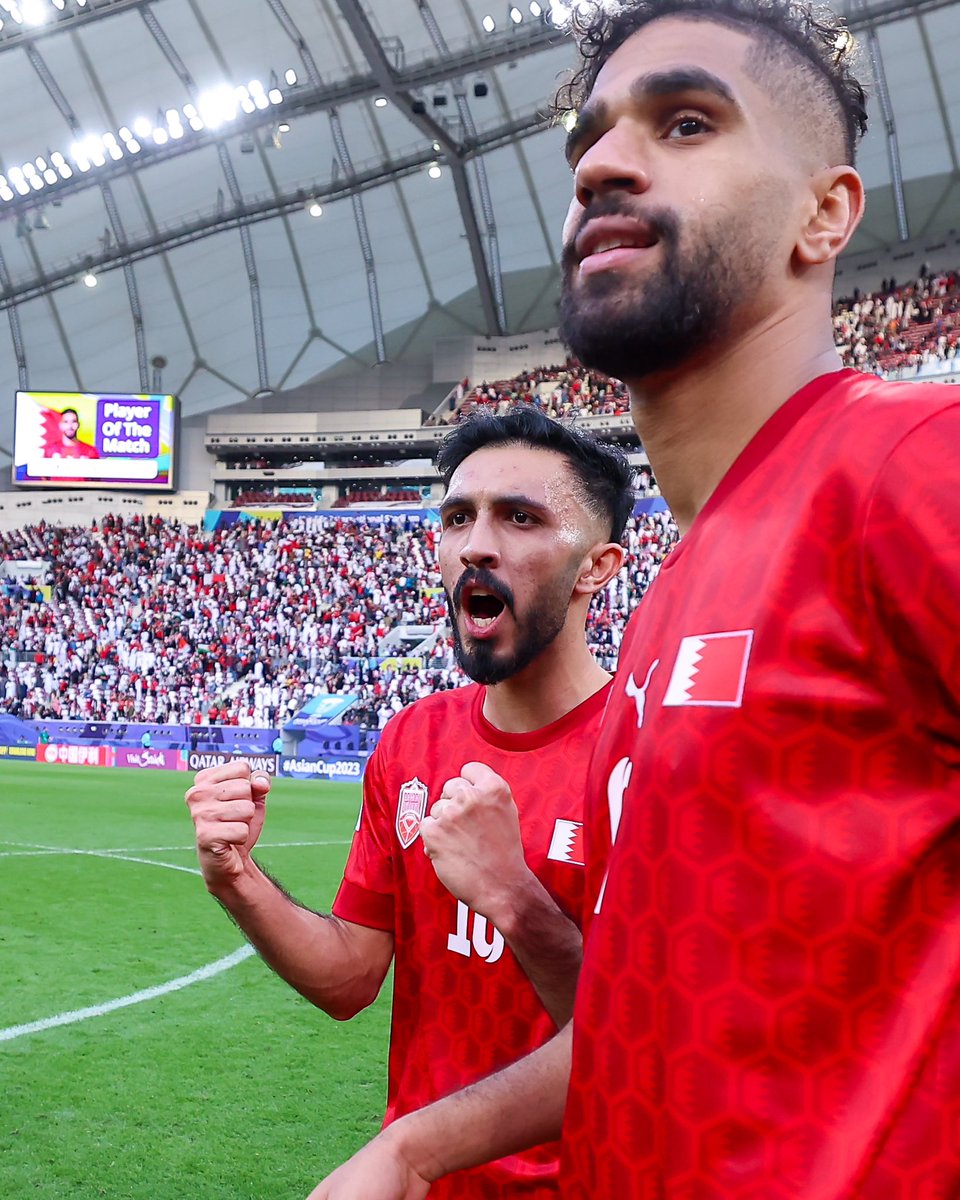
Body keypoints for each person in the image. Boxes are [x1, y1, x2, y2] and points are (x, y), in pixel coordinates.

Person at [309, 0, 960, 1197]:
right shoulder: (676, 599)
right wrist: (411, 1146)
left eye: (688, 122)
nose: (602, 164)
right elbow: (638, 1020)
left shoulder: (911, 468)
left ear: (827, 214)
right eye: (589, 144)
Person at [185, 405, 634, 1199]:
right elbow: (350, 979)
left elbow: (641, 1047)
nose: (475, 545)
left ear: (596, 567)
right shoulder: (412, 741)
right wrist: (238, 880)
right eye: (457, 517)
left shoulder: (648, 753)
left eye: (520, 517)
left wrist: (512, 896)